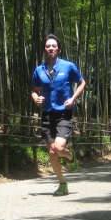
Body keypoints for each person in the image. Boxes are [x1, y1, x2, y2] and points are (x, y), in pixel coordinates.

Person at [32, 34, 86, 196]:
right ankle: (62, 184)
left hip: (64, 113)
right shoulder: (39, 70)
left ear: (59, 49)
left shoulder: (68, 66)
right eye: (48, 46)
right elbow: (34, 91)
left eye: (54, 46)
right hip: (48, 114)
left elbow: (82, 82)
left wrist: (73, 98)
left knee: (59, 147)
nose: (51, 48)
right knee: (52, 152)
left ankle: (70, 157)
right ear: (44, 50)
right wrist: (37, 98)